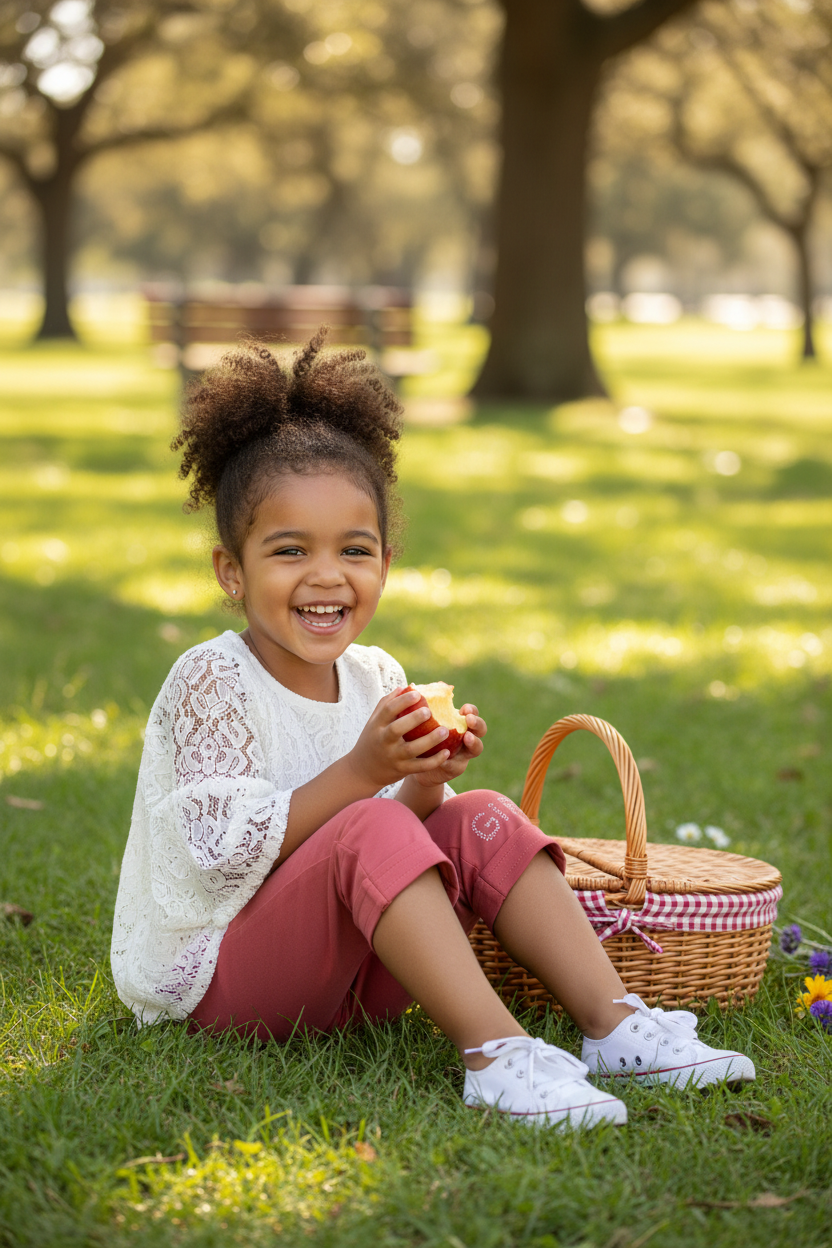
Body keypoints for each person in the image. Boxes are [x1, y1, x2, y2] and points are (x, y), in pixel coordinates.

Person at [111, 332, 754, 1129]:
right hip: (226, 979)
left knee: (477, 810)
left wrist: (422, 778)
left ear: (386, 561)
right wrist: (362, 774)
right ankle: (495, 1054)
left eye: (355, 549)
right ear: (230, 571)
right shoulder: (212, 679)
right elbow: (217, 856)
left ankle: (616, 1024)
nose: (325, 575)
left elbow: (392, 846)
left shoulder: (376, 675)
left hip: (356, 977)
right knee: (371, 816)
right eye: (288, 550)